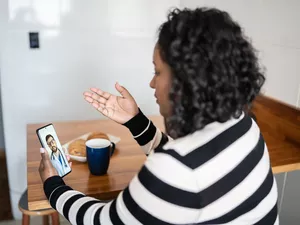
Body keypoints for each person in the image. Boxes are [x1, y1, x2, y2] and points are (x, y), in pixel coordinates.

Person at [39, 7, 279, 225]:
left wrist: (52, 185)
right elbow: (185, 159)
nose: (152, 83)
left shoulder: (177, 170)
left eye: (157, 71)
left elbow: (106, 221)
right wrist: (136, 122)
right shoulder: (244, 125)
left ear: (187, 80)